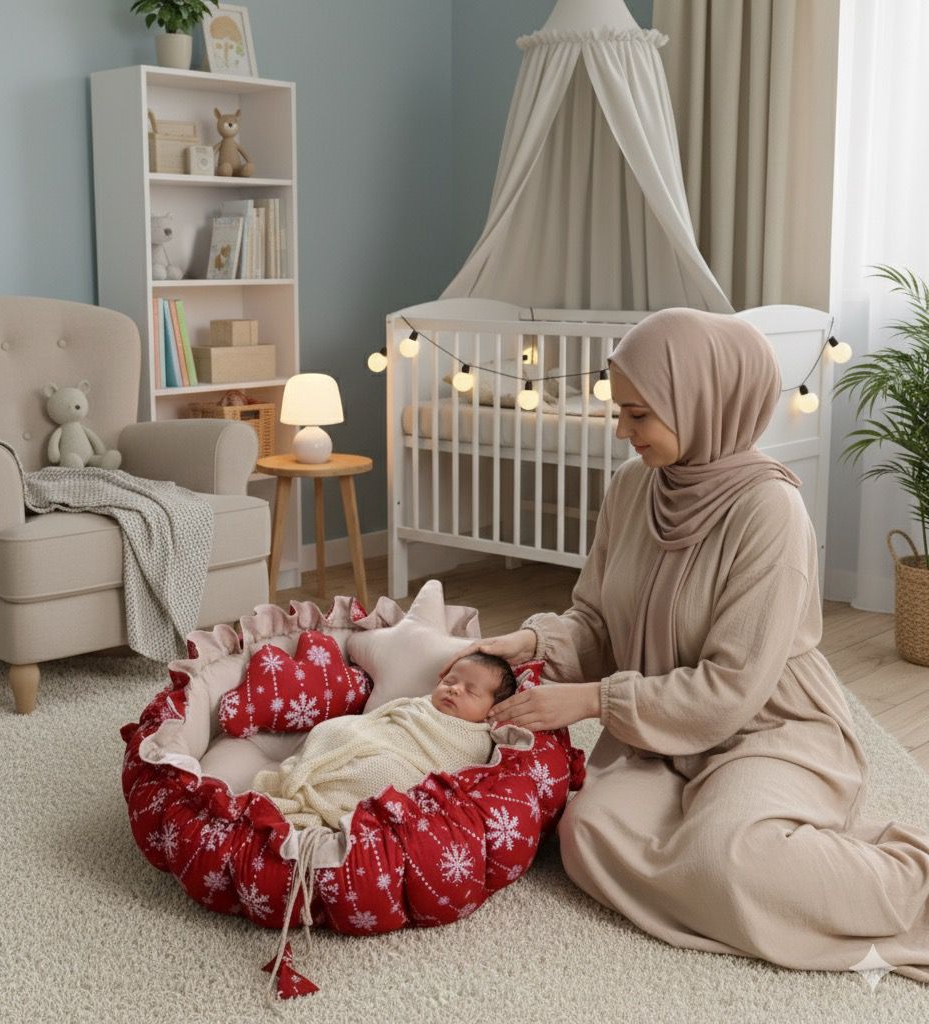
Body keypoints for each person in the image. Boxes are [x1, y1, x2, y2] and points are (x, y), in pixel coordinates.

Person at [440, 307, 929, 984]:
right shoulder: (632, 486)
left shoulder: (768, 512)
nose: (622, 431)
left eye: (639, 415)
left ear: (703, 404)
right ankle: (748, 849)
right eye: (621, 412)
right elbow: (598, 621)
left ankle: (908, 878)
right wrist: (532, 640)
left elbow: (730, 686)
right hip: (663, 736)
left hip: (768, 728)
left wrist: (589, 700)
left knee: (729, 858)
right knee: (584, 834)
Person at [250, 652, 517, 829]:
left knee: (383, 773)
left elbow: (449, 776)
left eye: (470, 691)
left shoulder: (476, 741)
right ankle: (307, 778)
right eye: (450, 680)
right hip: (374, 737)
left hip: (404, 764)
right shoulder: (422, 705)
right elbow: (382, 720)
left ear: (492, 709)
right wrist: (362, 734)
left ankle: (317, 793)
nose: (454, 689)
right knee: (332, 729)